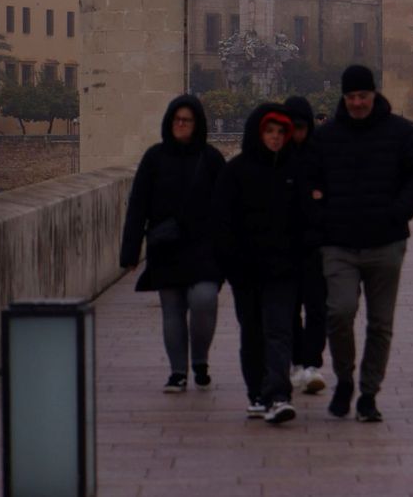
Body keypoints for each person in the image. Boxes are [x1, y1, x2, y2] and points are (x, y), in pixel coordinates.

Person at [301, 65, 413, 423]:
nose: (357, 103)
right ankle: (344, 378)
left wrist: (398, 213)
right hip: (338, 243)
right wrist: (322, 219)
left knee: (380, 323)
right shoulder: (326, 137)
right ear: (345, 98)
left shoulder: (400, 132)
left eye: (363, 96)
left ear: (374, 94)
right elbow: (308, 182)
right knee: (339, 312)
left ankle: (369, 392)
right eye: (351, 97)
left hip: (385, 242)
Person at [119, 95, 226, 393]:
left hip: (204, 248)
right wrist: (130, 252)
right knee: (173, 309)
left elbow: (228, 206)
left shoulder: (211, 158)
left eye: (187, 120)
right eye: (177, 119)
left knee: (204, 300)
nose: (181, 125)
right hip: (166, 246)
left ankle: (200, 359)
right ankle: (178, 372)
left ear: (197, 124)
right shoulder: (154, 158)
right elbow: (137, 205)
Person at [212, 104, 303, 425]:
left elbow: (307, 220)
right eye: (269, 131)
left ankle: (278, 395)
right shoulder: (235, 171)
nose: (275, 138)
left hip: (283, 270)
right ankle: (256, 394)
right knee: (252, 332)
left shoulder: (296, 170)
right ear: (258, 133)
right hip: (246, 271)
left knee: (278, 330)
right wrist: (230, 264)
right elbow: (221, 222)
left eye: (281, 132)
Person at [282, 95, 328, 396]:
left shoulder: (320, 155)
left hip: (317, 247)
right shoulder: (275, 156)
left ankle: (312, 362)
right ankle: (297, 359)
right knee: (288, 309)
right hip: (284, 247)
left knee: (317, 308)